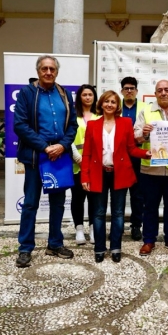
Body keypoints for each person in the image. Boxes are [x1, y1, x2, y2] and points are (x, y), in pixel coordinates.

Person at [13, 55, 78, 268]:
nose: (48, 72)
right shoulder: (27, 93)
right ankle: (25, 248)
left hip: (58, 156)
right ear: (38, 71)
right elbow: (20, 125)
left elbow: (73, 126)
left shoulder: (65, 94)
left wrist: (62, 146)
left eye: (52, 69)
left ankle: (55, 244)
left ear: (57, 72)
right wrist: (44, 146)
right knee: (31, 203)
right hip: (36, 156)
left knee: (58, 204)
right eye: (44, 69)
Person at [80, 91, 150, 263]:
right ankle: (99, 248)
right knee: (98, 213)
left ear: (117, 105)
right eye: (107, 101)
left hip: (120, 173)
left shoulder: (126, 123)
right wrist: (84, 177)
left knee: (118, 213)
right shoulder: (93, 125)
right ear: (101, 104)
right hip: (98, 173)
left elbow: (131, 149)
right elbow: (87, 154)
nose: (110, 104)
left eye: (113, 102)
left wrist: (146, 153)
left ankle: (116, 247)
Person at [134, 80, 168, 256]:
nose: (163, 93)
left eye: (167, 90)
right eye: (159, 90)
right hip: (150, 169)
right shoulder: (145, 111)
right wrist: (144, 133)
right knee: (150, 206)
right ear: (155, 94)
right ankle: (149, 240)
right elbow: (136, 138)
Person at [70, 84, 98, 245]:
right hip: (77, 164)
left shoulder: (99, 115)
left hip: (95, 165)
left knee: (94, 199)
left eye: (90, 94)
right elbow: (68, 137)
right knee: (78, 198)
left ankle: (93, 229)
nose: (87, 97)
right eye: (84, 95)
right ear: (79, 97)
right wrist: (77, 157)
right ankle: (79, 230)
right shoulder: (73, 116)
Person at [120, 76, 145, 241]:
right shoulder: (114, 106)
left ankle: (136, 225)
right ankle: (118, 224)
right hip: (119, 157)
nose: (129, 91)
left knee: (138, 195)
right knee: (119, 193)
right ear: (122, 90)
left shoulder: (145, 108)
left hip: (138, 156)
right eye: (126, 88)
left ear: (136, 90)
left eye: (132, 88)